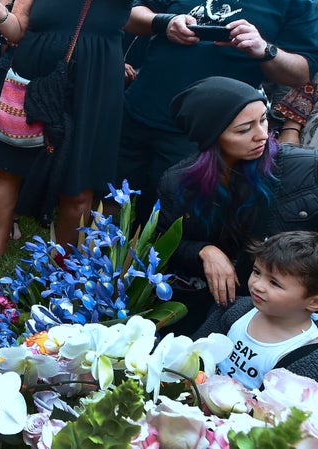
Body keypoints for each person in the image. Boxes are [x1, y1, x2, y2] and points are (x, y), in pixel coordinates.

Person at [117, 0, 318, 224]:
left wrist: (264, 49)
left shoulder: (298, 4)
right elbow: (127, 15)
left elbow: (302, 72)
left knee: (166, 222)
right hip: (136, 111)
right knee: (108, 205)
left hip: (203, 136)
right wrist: (164, 22)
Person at [0, 0, 132, 264]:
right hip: (35, 73)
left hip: (93, 81)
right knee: (8, 162)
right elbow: (17, 29)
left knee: (78, 180)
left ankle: (62, 264)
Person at [158, 76, 318, 336]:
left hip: (288, 317)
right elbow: (164, 244)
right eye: (245, 129)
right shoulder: (177, 182)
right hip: (210, 312)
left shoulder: (306, 168)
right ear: (211, 135)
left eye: (264, 120)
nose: (263, 135)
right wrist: (204, 251)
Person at [192, 231, 318, 389]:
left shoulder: (307, 354)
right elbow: (195, 348)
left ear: (314, 302)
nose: (257, 285)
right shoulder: (237, 311)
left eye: (274, 283)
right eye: (257, 272)